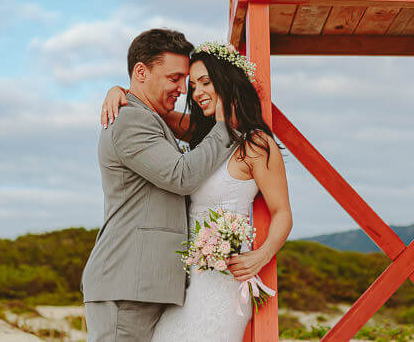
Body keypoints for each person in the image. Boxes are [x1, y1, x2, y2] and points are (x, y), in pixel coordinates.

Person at [100, 40, 292, 341]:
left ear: (227, 82)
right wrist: (118, 91)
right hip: (182, 285)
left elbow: (282, 212)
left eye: (206, 82)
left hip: (223, 282)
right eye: (192, 85)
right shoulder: (200, 135)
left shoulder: (256, 144)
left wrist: (263, 254)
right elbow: (149, 106)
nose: (196, 92)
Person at [81, 29, 237, 342]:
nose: (183, 89)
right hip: (126, 284)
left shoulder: (151, 117)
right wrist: (226, 125)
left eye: (187, 81)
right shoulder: (130, 120)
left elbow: (195, 131)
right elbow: (181, 176)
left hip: (144, 284)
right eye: (175, 78)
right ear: (141, 72)